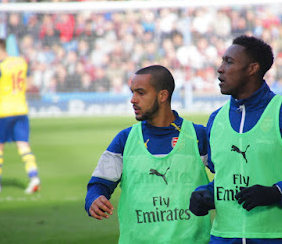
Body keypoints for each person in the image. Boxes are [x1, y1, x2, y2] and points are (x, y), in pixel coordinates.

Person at [189, 35, 282, 243]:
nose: (220, 69)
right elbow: (227, 178)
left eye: (229, 62)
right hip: (223, 236)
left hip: (280, 237)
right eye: (222, 61)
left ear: (252, 69)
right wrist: (204, 194)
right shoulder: (216, 119)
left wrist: (277, 193)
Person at [85, 65, 211, 243]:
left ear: (162, 95)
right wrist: (94, 199)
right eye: (132, 92)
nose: (133, 100)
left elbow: (227, 174)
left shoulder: (197, 136)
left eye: (141, 93)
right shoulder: (125, 139)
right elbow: (98, 185)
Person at [0, 38, 40, 194]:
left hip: (4, 111)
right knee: (23, 145)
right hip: (21, 109)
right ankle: (34, 177)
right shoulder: (21, 62)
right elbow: (29, 84)